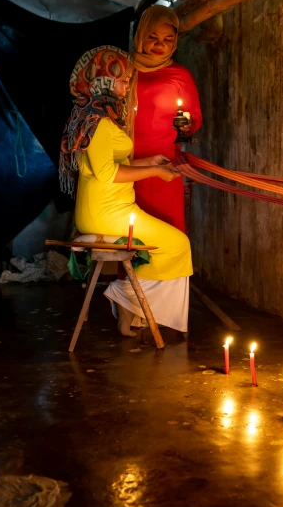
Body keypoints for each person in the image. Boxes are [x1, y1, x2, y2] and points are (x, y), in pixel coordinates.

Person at [59, 45, 192, 337]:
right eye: (122, 79)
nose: (126, 85)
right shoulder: (99, 122)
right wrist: (155, 171)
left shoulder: (98, 117)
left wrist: (150, 161)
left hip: (108, 210)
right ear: (103, 80)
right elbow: (107, 173)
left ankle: (129, 307)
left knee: (174, 246)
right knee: (177, 245)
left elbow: (111, 163)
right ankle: (123, 296)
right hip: (107, 213)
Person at [132, 5, 202, 233]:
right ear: (140, 35)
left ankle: (170, 270)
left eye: (167, 39)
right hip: (126, 162)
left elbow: (195, 118)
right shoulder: (123, 69)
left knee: (166, 225)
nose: (159, 45)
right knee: (132, 231)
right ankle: (133, 271)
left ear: (175, 43)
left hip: (164, 162)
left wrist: (187, 122)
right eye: (152, 37)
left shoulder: (180, 75)